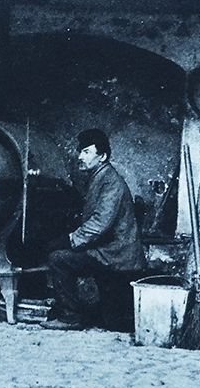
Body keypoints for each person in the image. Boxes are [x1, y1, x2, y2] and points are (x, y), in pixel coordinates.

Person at [41, 128, 145, 331]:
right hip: (107, 252)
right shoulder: (99, 176)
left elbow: (100, 224)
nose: (80, 156)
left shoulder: (110, 181)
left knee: (59, 258)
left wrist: (70, 240)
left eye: (86, 152)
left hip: (116, 256)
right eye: (81, 151)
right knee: (109, 319)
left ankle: (70, 317)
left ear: (103, 156)